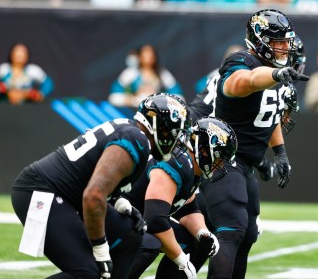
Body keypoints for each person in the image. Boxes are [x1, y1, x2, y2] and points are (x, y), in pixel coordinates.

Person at [11, 93, 190, 279]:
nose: (176, 139)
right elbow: (93, 195)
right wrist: (100, 247)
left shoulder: (131, 131)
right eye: (174, 131)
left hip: (68, 194)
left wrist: (121, 203)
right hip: (41, 191)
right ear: (159, 127)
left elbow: (98, 180)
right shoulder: (135, 140)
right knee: (87, 273)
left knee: (131, 234)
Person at [195, 9, 308, 278]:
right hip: (220, 159)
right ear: (260, 41)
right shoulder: (241, 62)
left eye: (286, 41)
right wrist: (276, 76)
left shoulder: (274, 71)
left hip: (243, 163)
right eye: (278, 41)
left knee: (243, 237)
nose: (285, 47)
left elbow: (270, 118)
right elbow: (242, 82)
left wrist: (280, 153)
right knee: (232, 231)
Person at [115, 117, 238, 279]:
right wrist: (181, 260)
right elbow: (155, 219)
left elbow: (188, 209)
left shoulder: (192, 165)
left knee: (190, 241)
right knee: (149, 244)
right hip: (115, 215)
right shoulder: (177, 162)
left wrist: (202, 233)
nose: (221, 165)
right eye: (219, 157)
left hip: (134, 219)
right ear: (204, 150)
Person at [109, 44, 184, 108]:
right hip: (134, 109)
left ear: (155, 57)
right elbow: (114, 96)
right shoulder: (131, 72)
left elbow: (178, 95)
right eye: (145, 54)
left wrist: (163, 101)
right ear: (139, 57)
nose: (148, 57)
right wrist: (132, 100)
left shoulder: (162, 73)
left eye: (150, 55)